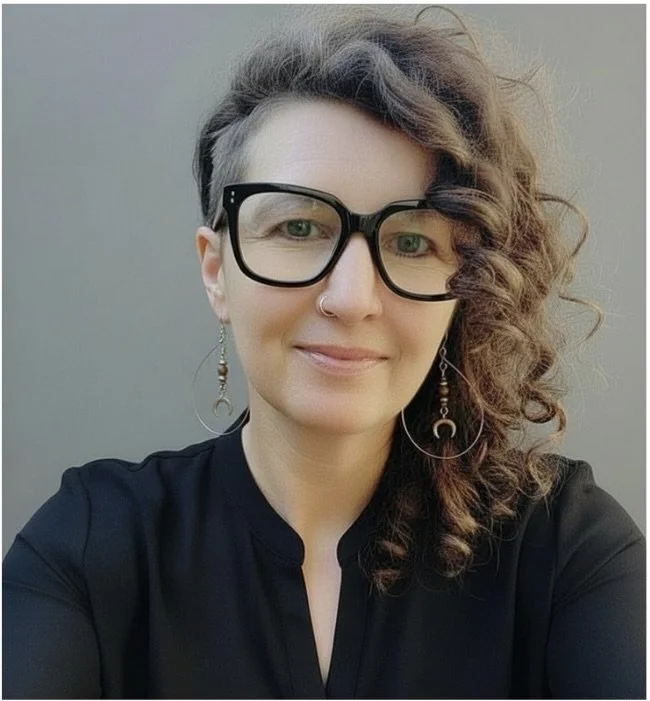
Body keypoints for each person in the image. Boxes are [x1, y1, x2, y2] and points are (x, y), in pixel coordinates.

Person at [3, 6, 644, 699]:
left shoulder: (563, 548)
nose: (351, 298)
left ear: (463, 288)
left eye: (411, 241)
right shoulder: (92, 544)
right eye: (299, 228)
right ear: (217, 270)